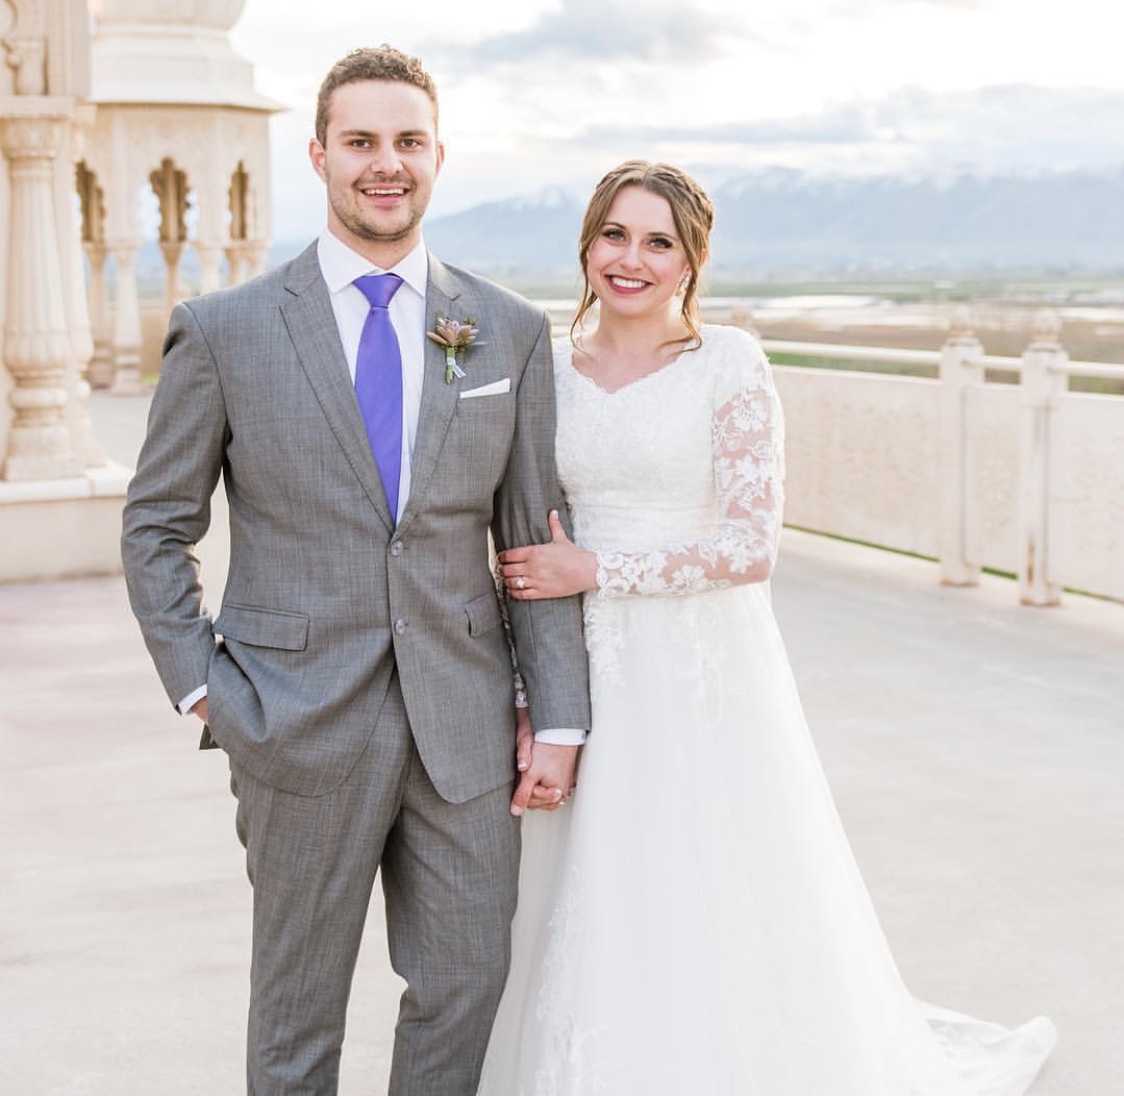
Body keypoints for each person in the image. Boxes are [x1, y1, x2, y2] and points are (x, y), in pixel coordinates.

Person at [480, 160, 1056, 1094]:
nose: (631, 259)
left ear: (691, 260)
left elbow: (750, 545)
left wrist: (602, 570)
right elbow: (528, 534)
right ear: (586, 244)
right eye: (614, 235)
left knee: (708, 869)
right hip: (585, 663)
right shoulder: (543, 366)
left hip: (699, 662)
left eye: (658, 241)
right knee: (594, 883)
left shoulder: (730, 363)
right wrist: (528, 689)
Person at [121, 45, 590, 1095]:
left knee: (464, 986)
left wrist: (556, 713)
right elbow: (155, 523)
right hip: (291, 720)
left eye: (408, 141)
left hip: (463, 725)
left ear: (438, 156)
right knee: (297, 1016)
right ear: (320, 154)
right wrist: (206, 684)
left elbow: (530, 538)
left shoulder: (504, 331)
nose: (388, 162)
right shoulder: (226, 330)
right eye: (363, 141)